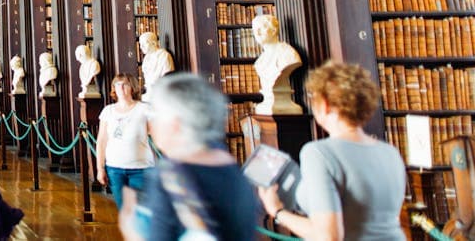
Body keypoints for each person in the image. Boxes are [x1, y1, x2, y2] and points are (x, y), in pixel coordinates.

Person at [257, 61, 407, 241]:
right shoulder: (390, 152)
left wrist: (277, 211)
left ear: (325, 104)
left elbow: (328, 237)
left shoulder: (319, 153)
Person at [119, 73, 258, 241]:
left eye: (154, 117)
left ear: (174, 124)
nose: (152, 125)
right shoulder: (231, 165)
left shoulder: (168, 176)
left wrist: (129, 227)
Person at [96, 74, 154, 209]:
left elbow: (156, 134)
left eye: (125, 84)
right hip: (115, 168)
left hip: (141, 167)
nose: (121, 88)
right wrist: (100, 168)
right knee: (125, 210)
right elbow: (102, 141)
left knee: (142, 209)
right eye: (117, 85)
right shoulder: (108, 111)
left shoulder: (144, 109)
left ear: (132, 87)